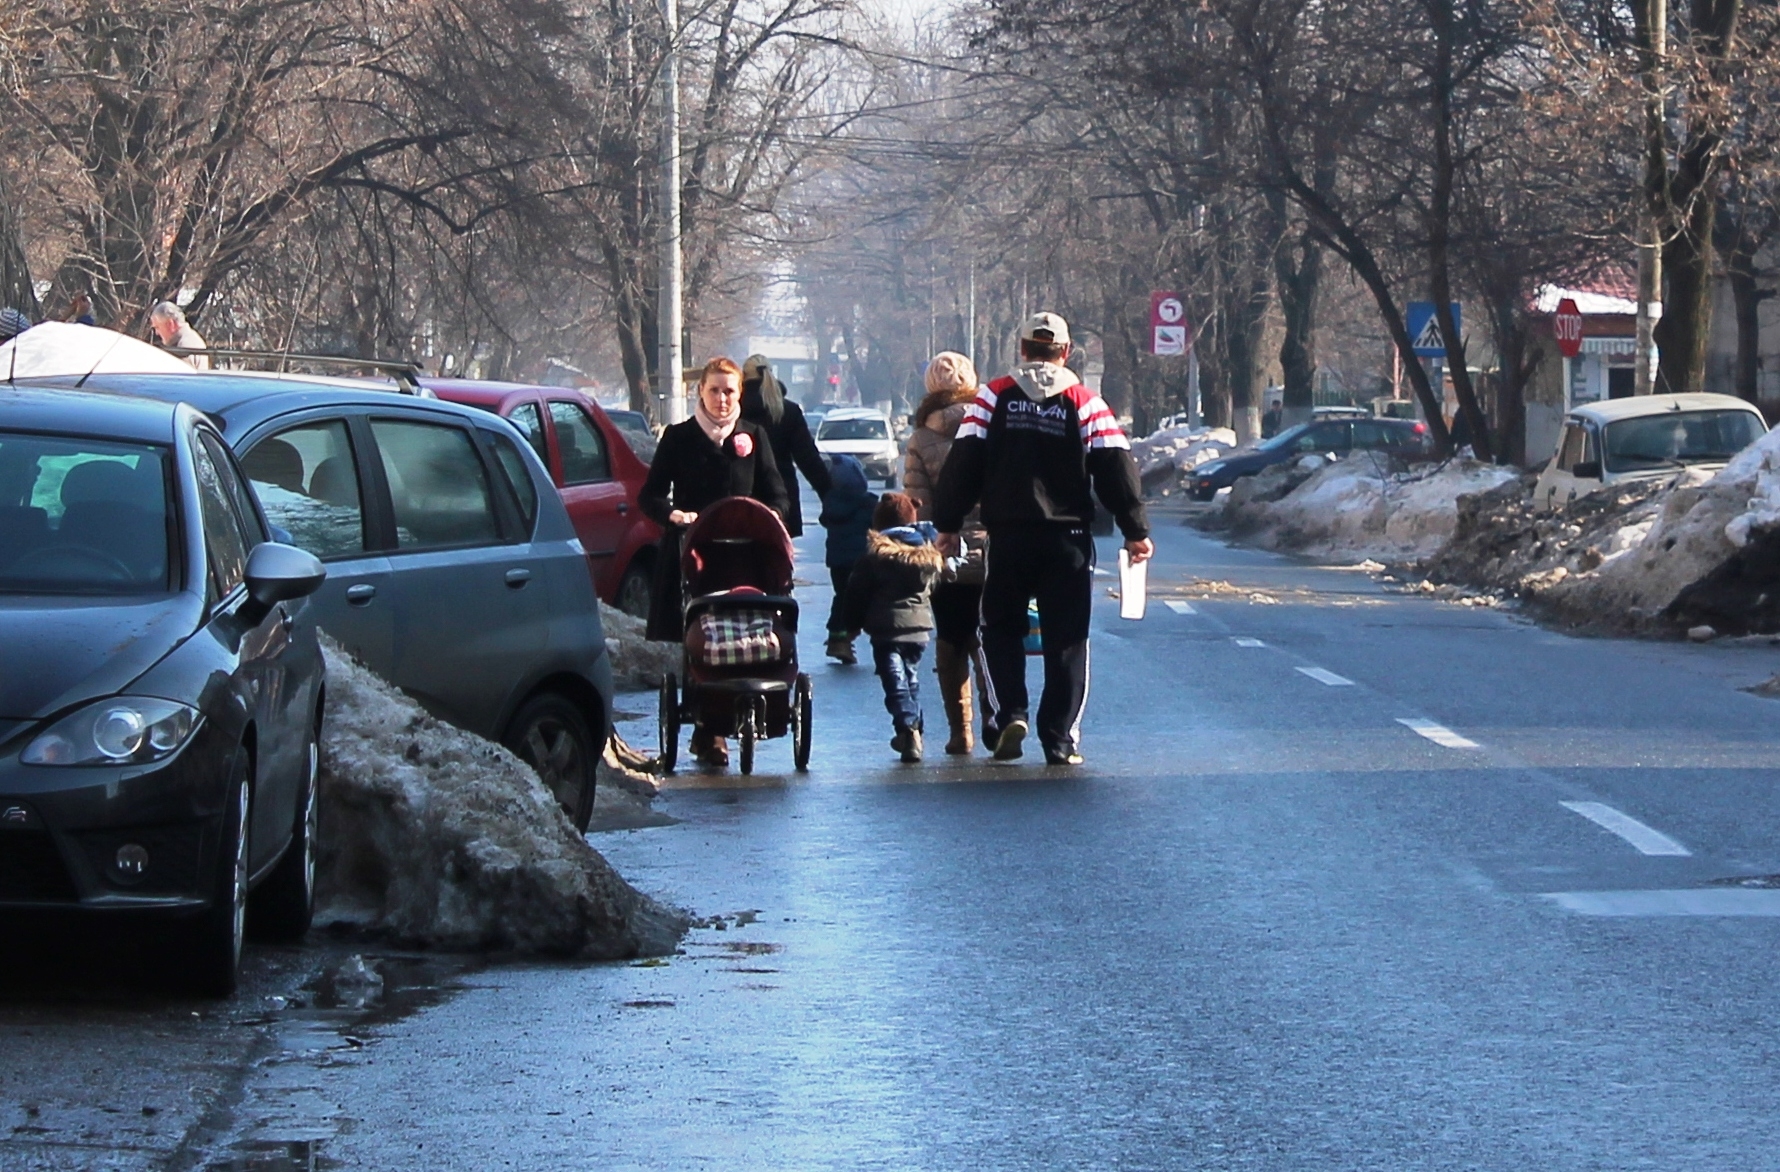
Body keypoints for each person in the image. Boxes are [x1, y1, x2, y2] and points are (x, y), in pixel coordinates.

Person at [933, 312, 1153, 766]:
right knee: (1067, 638)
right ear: (1066, 352)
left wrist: (949, 524)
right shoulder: (1086, 402)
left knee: (999, 629)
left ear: (1023, 349)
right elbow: (1116, 467)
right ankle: (1059, 738)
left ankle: (1010, 712)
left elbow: (963, 462)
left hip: (1009, 536)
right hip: (1069, 539)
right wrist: (1135, 530)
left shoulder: (993, 397)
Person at [639, 357, 790, 766]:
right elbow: (649, 496)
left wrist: (767, 516)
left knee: (747, 626)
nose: (722, 400)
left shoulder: (753, 435)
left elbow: (778, 494)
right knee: (699, 634)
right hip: (696, 554)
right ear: (700, 392)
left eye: (730, 392)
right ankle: (709, 729)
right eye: (714, 391)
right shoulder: (679, 437)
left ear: (739, 394)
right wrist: (673, 515)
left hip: (746, 556)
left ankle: (752, 702)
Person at [904, 350, 991, 755]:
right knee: (992, 635)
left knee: (952, 638)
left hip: (947, 548)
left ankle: (962, 730)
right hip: (994, 547)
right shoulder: (993, 425)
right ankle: (999, 711)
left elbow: (916, 504)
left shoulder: (922, 438)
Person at [843, 492, 942, 763]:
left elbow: (856, 593)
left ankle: (908, 727)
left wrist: (850, 626)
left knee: (895, 681)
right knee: (910, 677)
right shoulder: (927, 554)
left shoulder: (874, 556)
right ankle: (912, 730)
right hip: (919, 629)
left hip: (886, 629)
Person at [741, 354, 832, 537]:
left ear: (742, 377)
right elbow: (807, 459)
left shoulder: (734, 410)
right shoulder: (787, 411)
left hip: (741, 498)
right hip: (781, 499)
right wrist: (828, 494)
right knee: (779, 560)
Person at [818, 454, 876, 665]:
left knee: (841, 596)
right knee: (861, 599)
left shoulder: (831, 503)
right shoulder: (868, 503)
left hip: (836, 561)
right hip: (861, 561)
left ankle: (838, 638)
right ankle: (846, 638)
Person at [149, 301, 209, 369]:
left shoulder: (182, 347)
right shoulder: (192, 339)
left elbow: (179, 378)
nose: (156, 333)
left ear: (170, 324)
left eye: (157, 327)